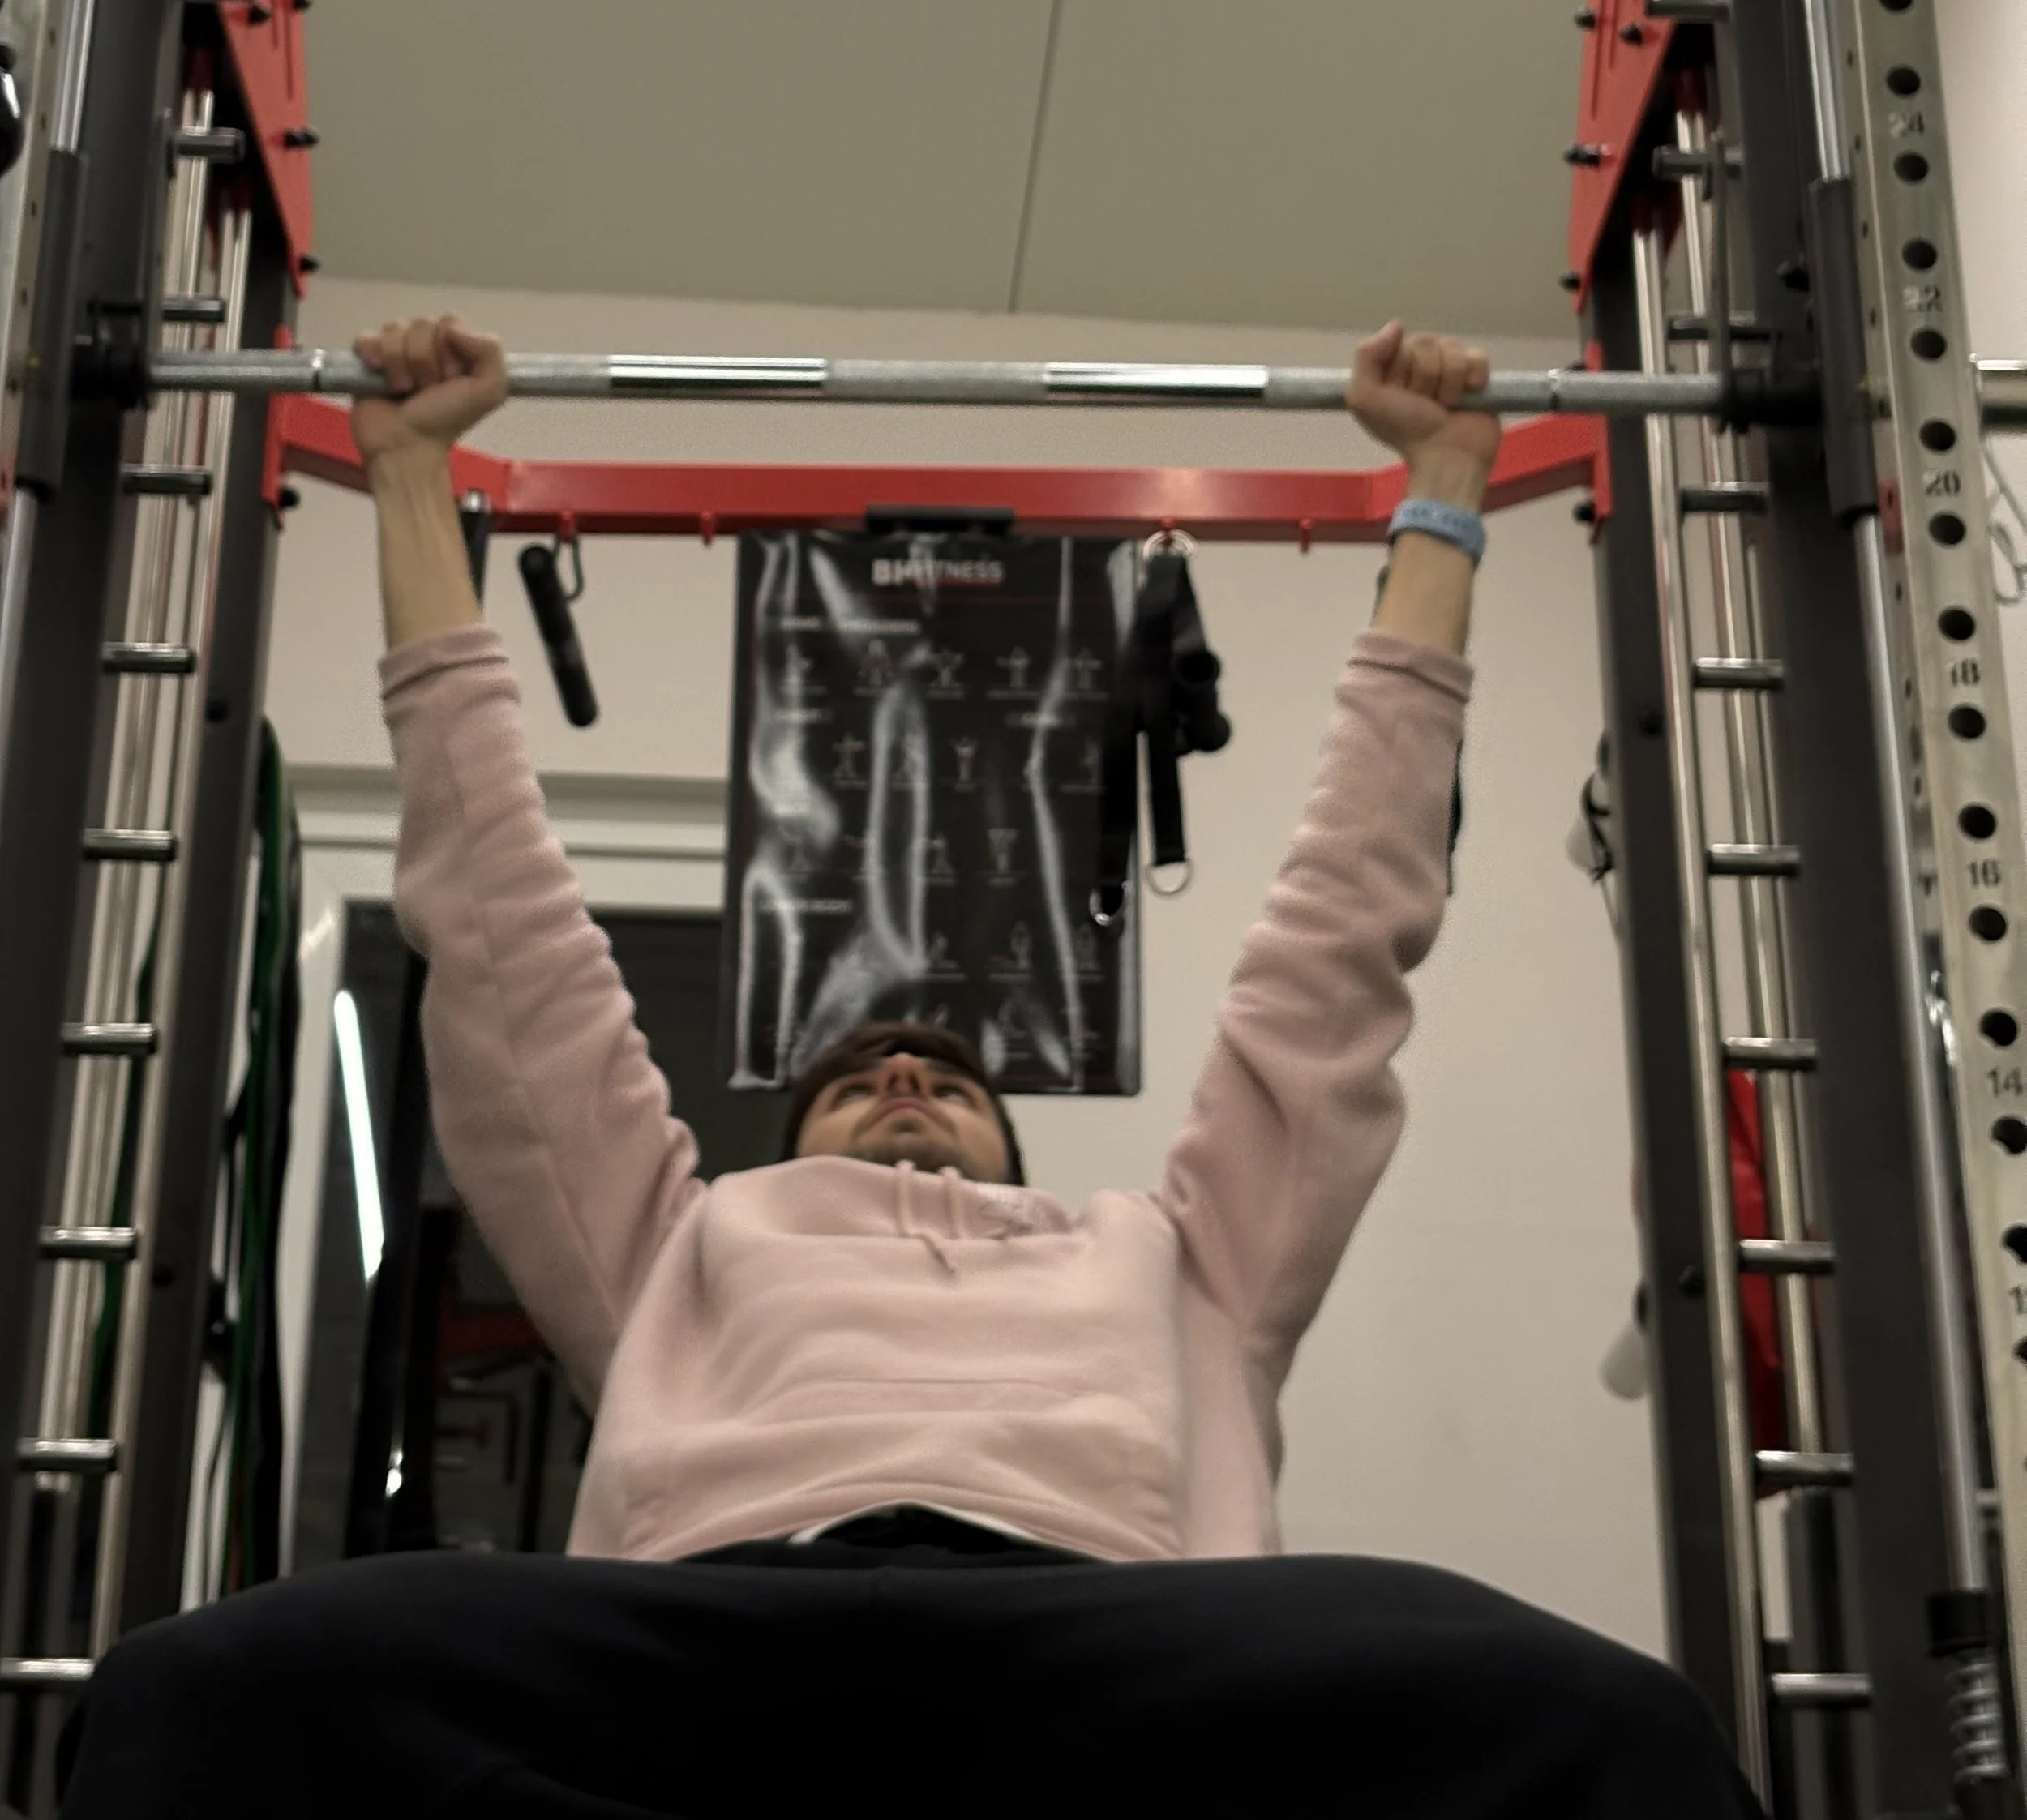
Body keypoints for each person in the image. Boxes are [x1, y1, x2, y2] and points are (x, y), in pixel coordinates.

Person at [60, 319, 1759, 1820]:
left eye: (941, 1070)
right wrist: (412, 479)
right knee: (198, 1692)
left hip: (1117, 1644)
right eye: (863, 1067)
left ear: (1014, 1149)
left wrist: (1442, 493)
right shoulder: (676, 1244)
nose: (901, 1070)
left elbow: (1336, 945)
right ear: (787, 1142)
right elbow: (501, 938)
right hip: (716, 1639)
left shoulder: (1179, 1261)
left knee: (1615, 1726)